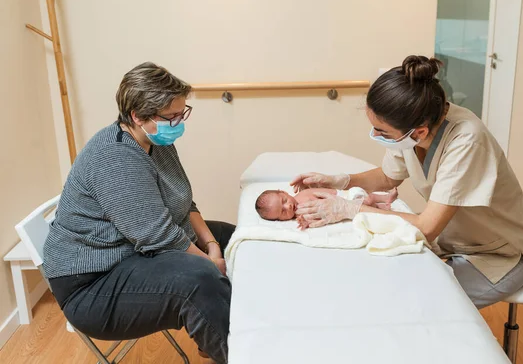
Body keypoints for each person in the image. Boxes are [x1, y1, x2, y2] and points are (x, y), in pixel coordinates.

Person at [292, 55, 523, 309]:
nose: (375, 136)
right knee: (390, 282)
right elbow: (388, 177)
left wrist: (349, 209)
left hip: (501, 254)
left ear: (419, 132)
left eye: (382, 132)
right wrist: (338, 181)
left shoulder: (466, 140)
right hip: (456, 241)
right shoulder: (414, 124)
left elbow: (427, 226)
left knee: (422, 305)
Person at [43, 62, 233, 363]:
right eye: (172, 116)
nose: (179, 122)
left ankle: (224, 329)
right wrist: (211, 264)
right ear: (138, 117)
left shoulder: (157, 141)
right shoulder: (115, 158)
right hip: (93, 282)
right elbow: (159, 237)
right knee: (199, 279)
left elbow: (185, 204)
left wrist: (213, 246)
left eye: (182, 113)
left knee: (233, 237)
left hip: (133, 251)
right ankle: (234, 349)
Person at [255, 187, 398, 221]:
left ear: (284, 192)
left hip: (343, 198)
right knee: (367, 204)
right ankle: (383, 206)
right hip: (343, 207)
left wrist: (337, 192)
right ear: (280, 220)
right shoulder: (299, 215)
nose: (288, 207)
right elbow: (315, 218)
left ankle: (385, 198)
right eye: (282, 212)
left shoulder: (303, 195)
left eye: (284, 201)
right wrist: (305, 223)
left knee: (368, 199)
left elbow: (320, 191)